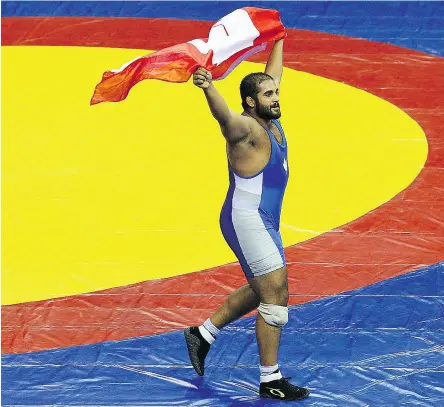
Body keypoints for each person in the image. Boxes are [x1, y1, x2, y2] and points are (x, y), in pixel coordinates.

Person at [184, 39, 310, 401]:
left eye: (276, 91)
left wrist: (280, 37)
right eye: (268, 94)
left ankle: (203, 334)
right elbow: (225, 118)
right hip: (247, 220)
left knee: (263, 288)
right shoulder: (247, 132)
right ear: (252, 102)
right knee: (276, 299)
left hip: (264, 219)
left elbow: (273, 73)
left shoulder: (269, 118)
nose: (276, 96)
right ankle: (270, 379)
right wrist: (209, 89)